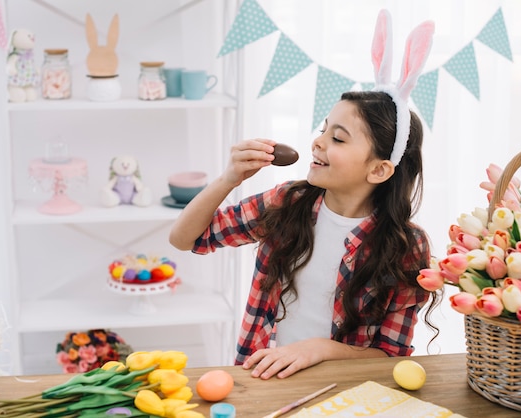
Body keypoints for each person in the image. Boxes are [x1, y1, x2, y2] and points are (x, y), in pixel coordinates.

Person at [169, 10, 440, 380]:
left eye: (338, 138)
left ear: (379, 169)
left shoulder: (406, 246)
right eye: (324, 128)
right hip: (261, 379)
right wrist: (228, 178)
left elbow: (392, 357)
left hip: (341, 392)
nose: (318, 141)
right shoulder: (289, 202)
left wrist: (321, 349)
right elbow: (185, 239)